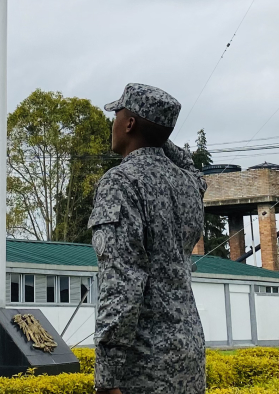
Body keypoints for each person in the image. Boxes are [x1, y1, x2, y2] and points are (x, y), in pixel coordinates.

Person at [89, 83, 206, 394]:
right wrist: (158, 137)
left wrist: (108, 374)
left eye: (117, 114)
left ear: (129, 124)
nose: (112, 122)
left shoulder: (120, 182)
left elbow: (122, 282)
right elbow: (192, 168)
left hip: (142, 368)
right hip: (189, 357)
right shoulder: (189, 185)